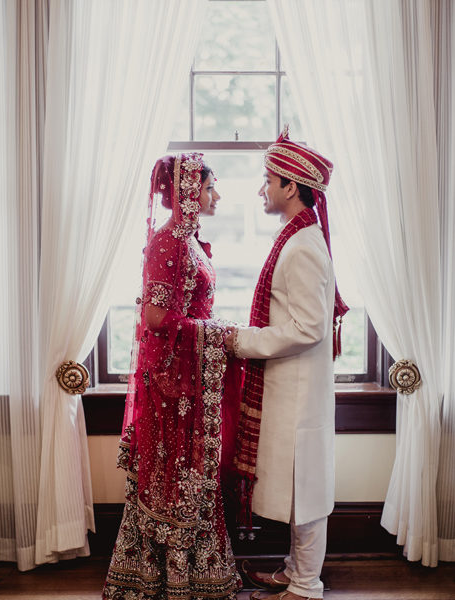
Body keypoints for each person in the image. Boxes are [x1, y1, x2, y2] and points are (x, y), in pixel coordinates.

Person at [103, 153, 242, 600]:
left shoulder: (190, 241)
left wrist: (211, 331)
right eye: (209, 187)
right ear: (187, 191)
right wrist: (216, 332)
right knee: (174, 477)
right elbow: (156, 317)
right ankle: (165, 577)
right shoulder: (168, 243)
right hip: (171, 384)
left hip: (189, 380)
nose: (216, 195)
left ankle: (199, 573)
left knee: (193, 474)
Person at [225, 128, 348, 600]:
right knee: (299, 489)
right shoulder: (300, 239)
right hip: (292, 388)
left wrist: (241, 341)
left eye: (267, 180)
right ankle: (295, 571)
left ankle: (305, 585)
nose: (262, 189)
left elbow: (309, 328)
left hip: (299, 393)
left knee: (306, 492)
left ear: (290, 186)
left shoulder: (303, 246)